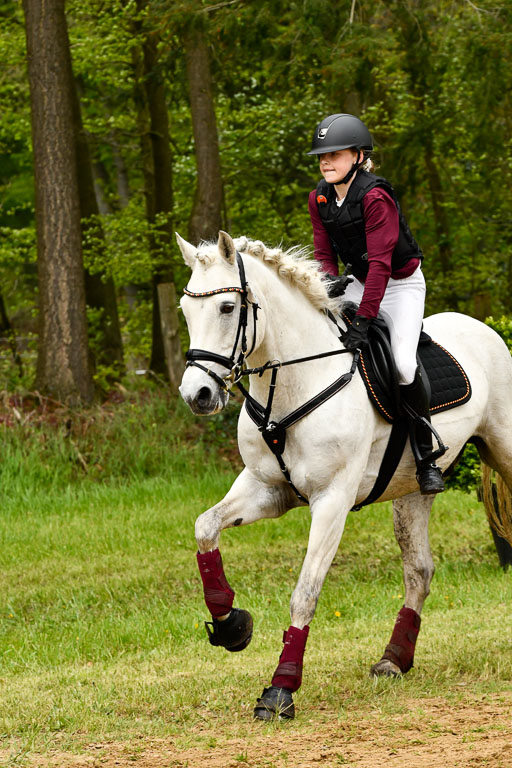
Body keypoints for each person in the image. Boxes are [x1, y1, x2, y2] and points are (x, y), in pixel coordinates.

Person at [307, 113, 445, 495]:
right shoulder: (319, 197)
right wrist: (326, 286)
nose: (325, 161)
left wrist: (364, 322)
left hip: (400, 286)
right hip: (358, 281)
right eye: (322, 155)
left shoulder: (375, 196)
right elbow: (323, 253)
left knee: (402, 364)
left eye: (334, 153)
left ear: (357, 155)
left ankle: (425, 455)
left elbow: (383, 265)